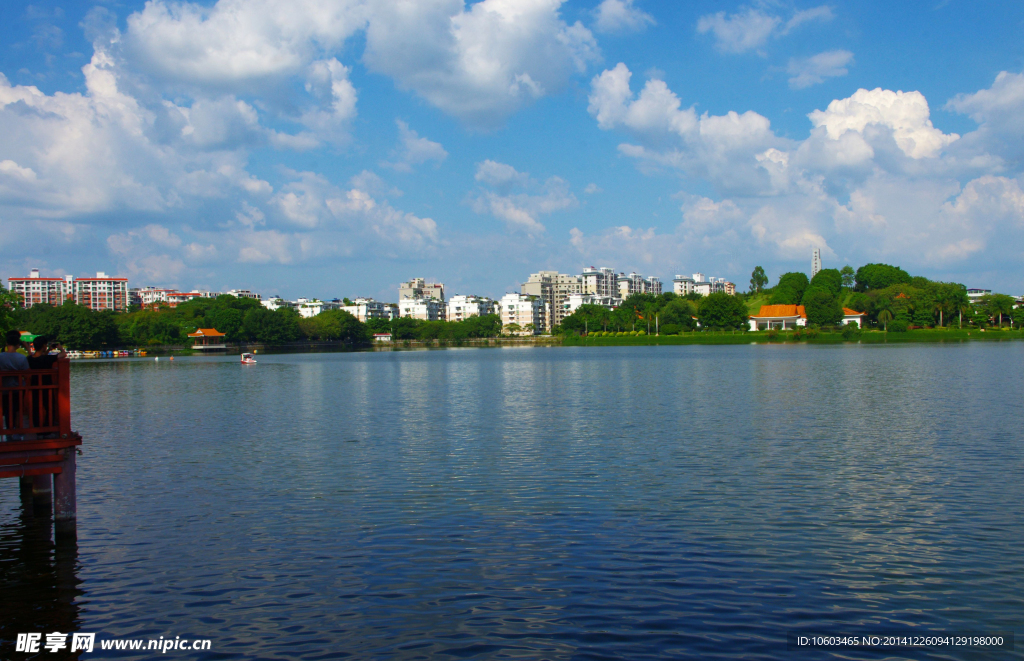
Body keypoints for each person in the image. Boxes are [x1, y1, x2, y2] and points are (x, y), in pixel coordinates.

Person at [28, 337, 65, 434]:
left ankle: (36, 428)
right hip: (47, 386)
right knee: (49, 407)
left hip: (34, 386)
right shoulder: (47, 358)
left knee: (35, 407)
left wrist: (48, 350)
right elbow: (63, 355)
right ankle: (48, 427)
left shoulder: (29, 359)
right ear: (44, 345)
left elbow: (39, 357)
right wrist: (61, 348)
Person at [1, 329, 30, 440]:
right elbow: (27, 373)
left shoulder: (1, 356)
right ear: (18, 345)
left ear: (7, 344)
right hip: (18, 387)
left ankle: (8, 430)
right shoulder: (21, 357)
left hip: (4, 387)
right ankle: (17, 430)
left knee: (7, 410)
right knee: (17, 409)